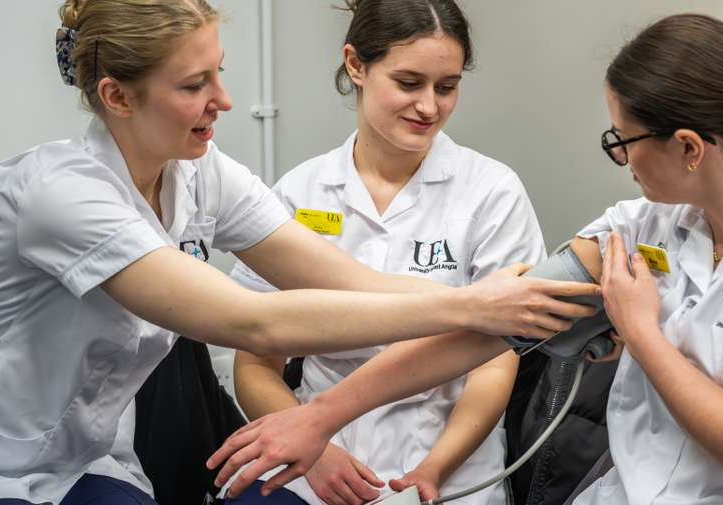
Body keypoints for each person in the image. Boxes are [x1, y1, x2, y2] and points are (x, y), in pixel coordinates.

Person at [0, 1, 600, 504]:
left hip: (92, 459)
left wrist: (491, 304)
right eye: (195, 84)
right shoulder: (57, 194)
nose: (224, 100)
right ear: (118, 96)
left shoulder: (200, 172)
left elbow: (347, 279)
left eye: (219, 73)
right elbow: (254, 324)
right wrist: (475, 306)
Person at [208, 14, 723, 505]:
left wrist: (641, 334)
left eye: (623, 140)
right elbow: (488, 327)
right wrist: (318, 418)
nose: (622, 160)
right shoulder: (643, 224)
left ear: (689, 148)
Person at [223, 2, 544, 505]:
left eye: (447, 87)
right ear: (356, 64)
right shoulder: (301, 192)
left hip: (444, 465)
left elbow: (494, 363)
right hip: (312, 462)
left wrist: (432, 470)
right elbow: (256, 360)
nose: (429, 107)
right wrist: (315, 449)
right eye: (409, 83)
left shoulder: (491, 192)